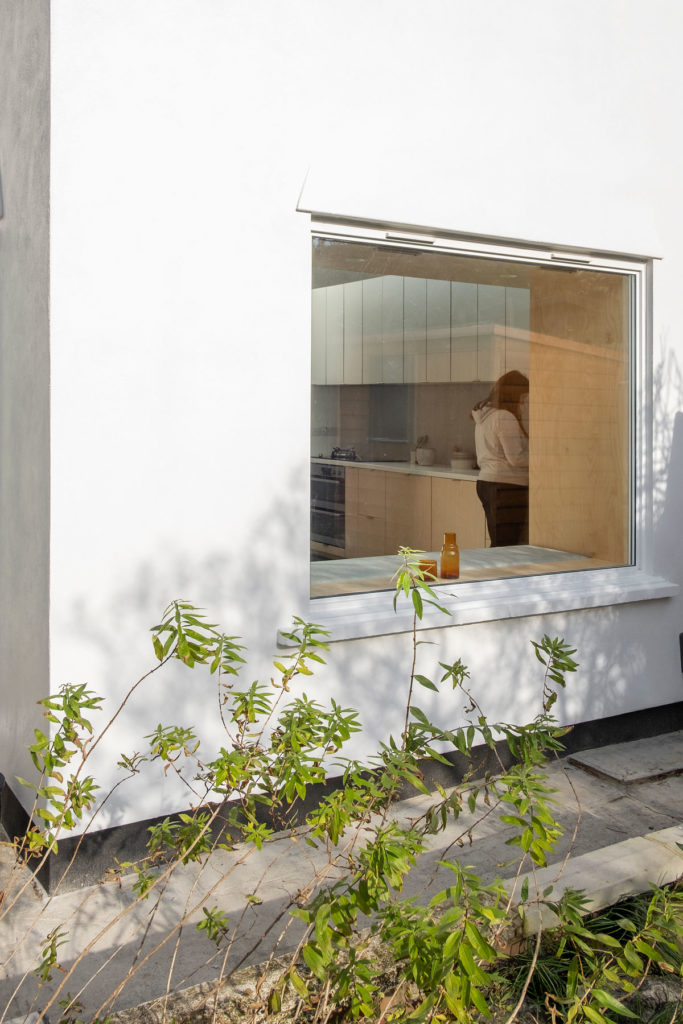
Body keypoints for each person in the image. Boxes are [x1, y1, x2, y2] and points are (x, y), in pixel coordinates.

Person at [471, 370, 529, 547]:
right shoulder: (505, 417)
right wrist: (544, 459)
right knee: (506, 545)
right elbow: (516, 459)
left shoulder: (486, 417)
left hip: (487, 483)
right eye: (523, 396)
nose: (523, 402)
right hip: (507, 486)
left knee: (499, 542)